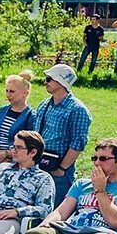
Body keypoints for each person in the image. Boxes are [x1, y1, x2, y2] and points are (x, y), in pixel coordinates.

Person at [31, 63, 92, 206]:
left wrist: (62, 169)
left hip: (59, 169)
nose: (45, 82)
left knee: (56, 209)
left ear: (61, 82)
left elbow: (78, 143)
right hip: (39, 163)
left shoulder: (77, 109)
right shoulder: (44, 104)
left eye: (49, 79)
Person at [0, 71, 35, 187]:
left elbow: (29, 143)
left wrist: (6, 154)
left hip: (14, 161)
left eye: (12, 91)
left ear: (25, 93)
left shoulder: (31, 116)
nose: (8, 95)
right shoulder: (2, 110)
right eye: (7, 91)